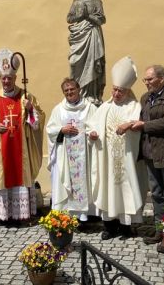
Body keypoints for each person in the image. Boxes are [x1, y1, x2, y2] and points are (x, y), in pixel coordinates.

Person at [0, 48, 45, 223]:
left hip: (20, 147)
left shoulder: (25, 96)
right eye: (4, 78)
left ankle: (19, 215)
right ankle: (2, 214)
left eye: (9, 78)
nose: (6, 81)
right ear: (0, 78)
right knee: (2, 175)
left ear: (15, 78)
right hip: (1, 149)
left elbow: (38, 119)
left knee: (19, 174)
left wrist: (31, 109)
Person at [88, 56, 147, 240]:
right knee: (108, 190)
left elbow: (139, 125)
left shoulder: (134, 106)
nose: (116, 93)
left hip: (126, 158)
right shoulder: (104, 107)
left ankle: (126, 227)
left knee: (125, 190)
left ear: (128, 91)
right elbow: (92, 126)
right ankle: (109, 227)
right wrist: (92, 134)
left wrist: (129, 125)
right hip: (107, 158)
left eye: (120, 90)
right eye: (114, 89)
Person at [130, 65, 164, 252]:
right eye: (145, 80)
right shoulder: (145, 98)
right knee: (156, 194)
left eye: (150, 79)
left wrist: (145, 125)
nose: (146, 83)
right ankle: (160, 231)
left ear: (162, 78)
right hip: (149, 153)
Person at [46, 78, 98, 222]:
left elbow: (96, 126)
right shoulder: (59, 109)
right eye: (66, 90)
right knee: (65, 183)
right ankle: (67, 216)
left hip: (84, 154)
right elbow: (50, 129)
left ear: (78, 89)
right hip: (65, 155)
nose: (69, 92)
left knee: (84, 182)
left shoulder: (90, 108)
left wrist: (92, 134)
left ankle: (85, 215)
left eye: (72, 89)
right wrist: (61, 129)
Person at [67, 0, 106, 106]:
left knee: (92, 63)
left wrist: (88, 15)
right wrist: (80, 15)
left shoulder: (96, 1)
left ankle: (91, 95)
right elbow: (69, 18)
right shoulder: (76, 1)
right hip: (79, 35)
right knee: (74, 63)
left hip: (92, 34)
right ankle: (78, 93)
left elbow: (101, 20)